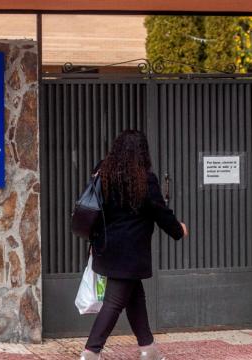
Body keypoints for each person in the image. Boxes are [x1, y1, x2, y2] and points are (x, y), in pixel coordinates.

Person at [80, 130, 188, 360]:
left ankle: (148, 349)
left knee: (135, 298)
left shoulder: (104, 174)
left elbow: (95, 210)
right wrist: (179, 230)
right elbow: (161, 212)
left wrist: (93, 241)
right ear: (142, 153)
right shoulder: (145, 180)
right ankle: (91, 352)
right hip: (130, 253)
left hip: (107, 247)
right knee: (114, 302)